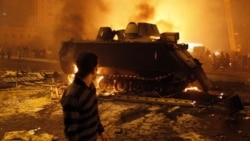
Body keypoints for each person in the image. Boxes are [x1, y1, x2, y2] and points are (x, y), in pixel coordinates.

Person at [60, 52, 108, 141]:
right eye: (97, 66)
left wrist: (101, 131)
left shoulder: (91, 87)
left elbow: (94, 113)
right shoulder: (72, 96)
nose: (98, 70)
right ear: (94, 69)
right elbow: (71, 131)